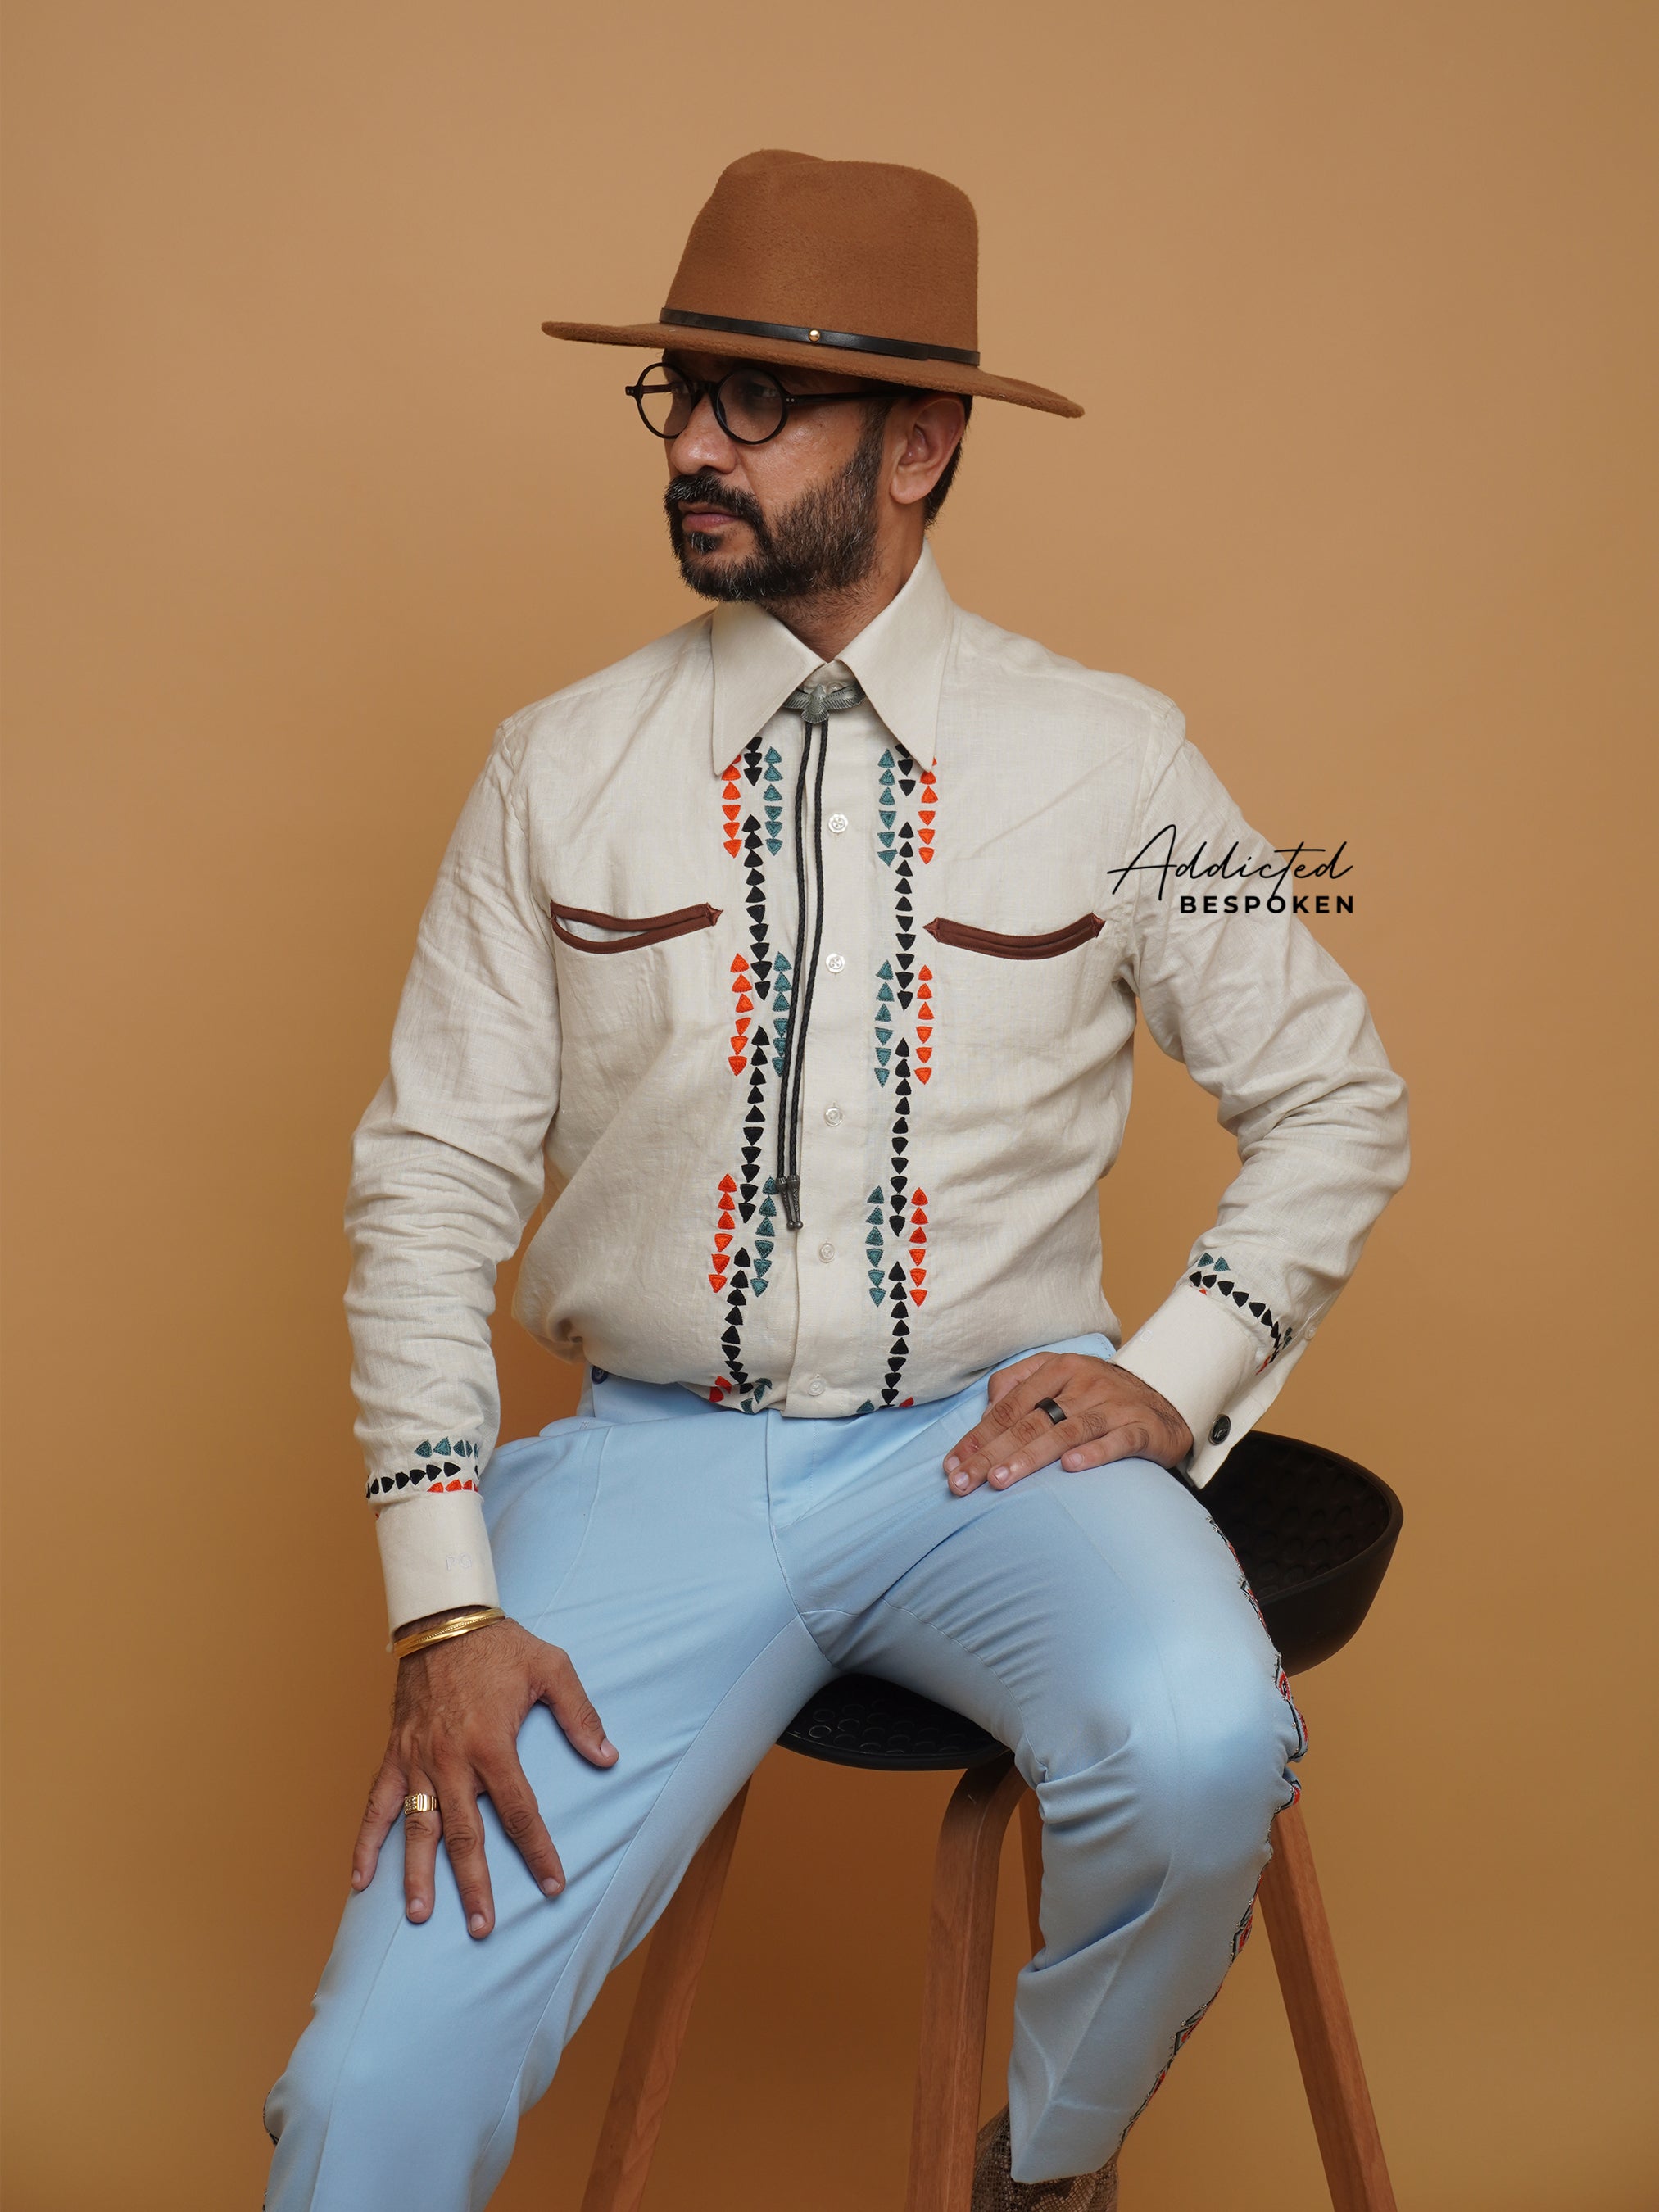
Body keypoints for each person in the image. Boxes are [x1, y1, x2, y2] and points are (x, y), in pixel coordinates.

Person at [262, 149, 1408, 2212]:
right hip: (643, 1477)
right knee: (363, 2094)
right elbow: (426, 1182)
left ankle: (1046, 2164)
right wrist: (444, 1602)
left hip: (995, 1456)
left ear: (920, 448)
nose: (691, 447)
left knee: (1207, 1741)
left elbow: (1335, 1092)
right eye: (678, 398)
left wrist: (1173, 1374)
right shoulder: (552, 768)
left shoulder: (1119, 759)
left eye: (751, 403)